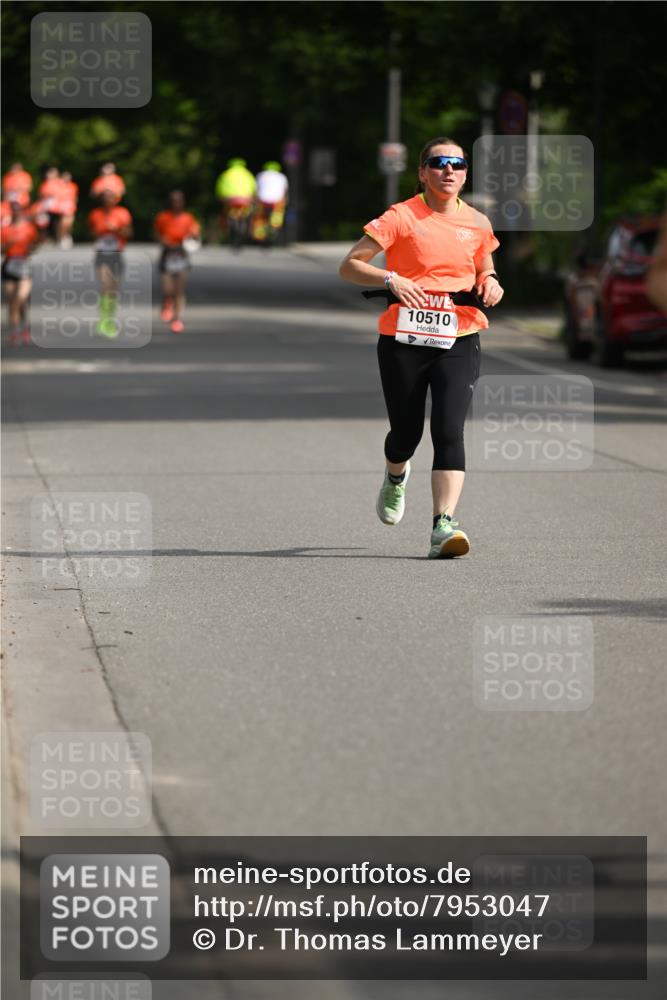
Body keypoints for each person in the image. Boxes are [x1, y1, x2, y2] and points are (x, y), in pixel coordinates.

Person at [339, 136, 503, 559]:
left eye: (457, 164)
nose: (449, 170)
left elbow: (484, 266)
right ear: (422, 172)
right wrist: (390, 279)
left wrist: (490, 282)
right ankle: (396, 475)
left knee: (449, 430)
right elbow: (350, 266)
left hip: (459, 336)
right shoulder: (401, 216)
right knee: (406, 434)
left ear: (465, 174)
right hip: (403, 338)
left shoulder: (477, 222)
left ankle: (443, 525)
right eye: (438, 162)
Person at [87, 190, 133, 338]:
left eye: (110, 198)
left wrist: (117, 229)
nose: (108, 200)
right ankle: (103, 321)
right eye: (105, 198)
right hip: (102, 255)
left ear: (115, 199)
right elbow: (91, 233)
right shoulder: (95, 214)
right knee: (105, 287)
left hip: (117, 255)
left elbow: (129, 233)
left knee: (113, 290)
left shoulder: (122, 213)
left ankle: (110, 319)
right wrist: (101, 231)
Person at [154, 190, 201, 334]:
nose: (176, 203)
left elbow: (195, 235)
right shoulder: (163, 217)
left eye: (179, 200)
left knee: (179, 290)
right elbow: (158, 234)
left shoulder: (188, 218)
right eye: (174, 201)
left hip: (182, 257)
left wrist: (192, 238)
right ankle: (167, 302)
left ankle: (177, 318)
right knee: (168, 289)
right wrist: (165, 241)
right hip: (167, 256)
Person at [1, 200, 42, 345]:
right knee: (12, 301)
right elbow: (1, 250)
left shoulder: (29, 228)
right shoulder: (4, 229)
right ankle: (14, 331)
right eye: (13, 210)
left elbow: (35, 244)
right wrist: (8, 245)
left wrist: (31, 247)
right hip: (9, 264)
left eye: (18, 210)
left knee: (21, 299)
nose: (16, 213)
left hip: (24, 264)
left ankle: (25, 328)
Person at [215, 158, 256, 247]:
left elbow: (219, 188)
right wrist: (252, 198)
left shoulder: (225, 174)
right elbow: (254, 188)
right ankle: (244, 225)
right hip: (245, 200)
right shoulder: (248, 174)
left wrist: (220, 198)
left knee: (228, 214)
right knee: (246, 215)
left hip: (230, 200)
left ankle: (231, 226)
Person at [252, 161, 289, 243]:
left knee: (260, 218)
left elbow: (256, 190)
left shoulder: (260, 175)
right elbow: (285, 192)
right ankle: (274, 228)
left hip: (262, 201)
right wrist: (285, 201)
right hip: (277, 201)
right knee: (277, 215)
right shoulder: (282, 177)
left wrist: (254, 201)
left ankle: (260, 235)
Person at [38, 166, 64, 242]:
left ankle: (58, 237)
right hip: (47, 205)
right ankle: (47, 238)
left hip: (57, 206)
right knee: (45, 222)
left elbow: (63, 193)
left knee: (57, 222)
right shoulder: (45, 183)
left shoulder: (60, 182)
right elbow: (41, 195)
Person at [56, 171, 78, 247]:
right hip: (61, 206)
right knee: (63, 223)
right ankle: (62, 237)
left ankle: (67, 235)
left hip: (70, 205)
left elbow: (75, 196)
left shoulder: (73, 186)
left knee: (70, 223)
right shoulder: (59, 186)